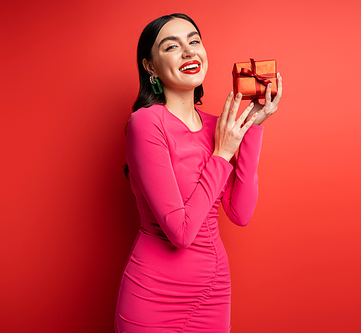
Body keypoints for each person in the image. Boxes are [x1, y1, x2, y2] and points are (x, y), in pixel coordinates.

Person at [115, 13, 283, 332]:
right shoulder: (147, 123)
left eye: (194, 41)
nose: (189, 52)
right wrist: (222, 152)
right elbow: (180, 232)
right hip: (154, 297)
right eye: (172, 46)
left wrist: (251, 130)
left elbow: (241, 212)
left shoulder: (216, 127)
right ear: (150, 66)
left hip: (213, 292)